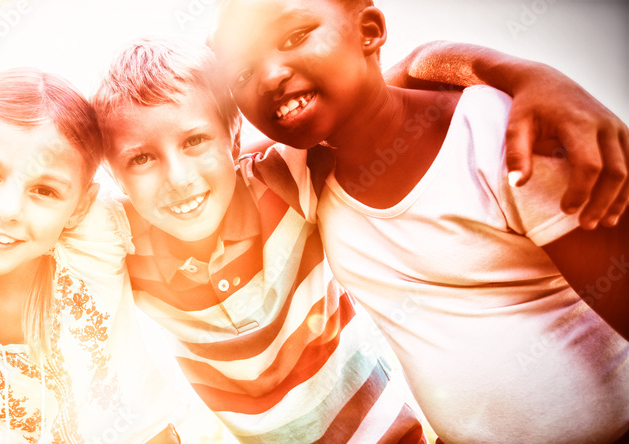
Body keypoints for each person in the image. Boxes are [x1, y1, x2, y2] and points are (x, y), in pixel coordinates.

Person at [0, 40, 629, 443]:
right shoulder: (118, 237)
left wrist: (525, 75)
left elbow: (385, 84)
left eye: (196, 141)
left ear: (233, 140)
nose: (177, 179)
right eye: (140, 160)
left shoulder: (288, 181)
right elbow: (8, 223)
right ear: (116, 180)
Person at [211, 0, 629, 442]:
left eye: (295, 37)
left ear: (369, 31)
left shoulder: (502, 134)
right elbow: (204, 158)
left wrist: (527, 75)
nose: (271, 76)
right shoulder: (305, 174)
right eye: (241, 74)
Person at [0, 67, 190, 443]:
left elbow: (185, 185)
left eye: (45, 190)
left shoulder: (92, 241)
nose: (8, 209)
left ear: (81, 205)